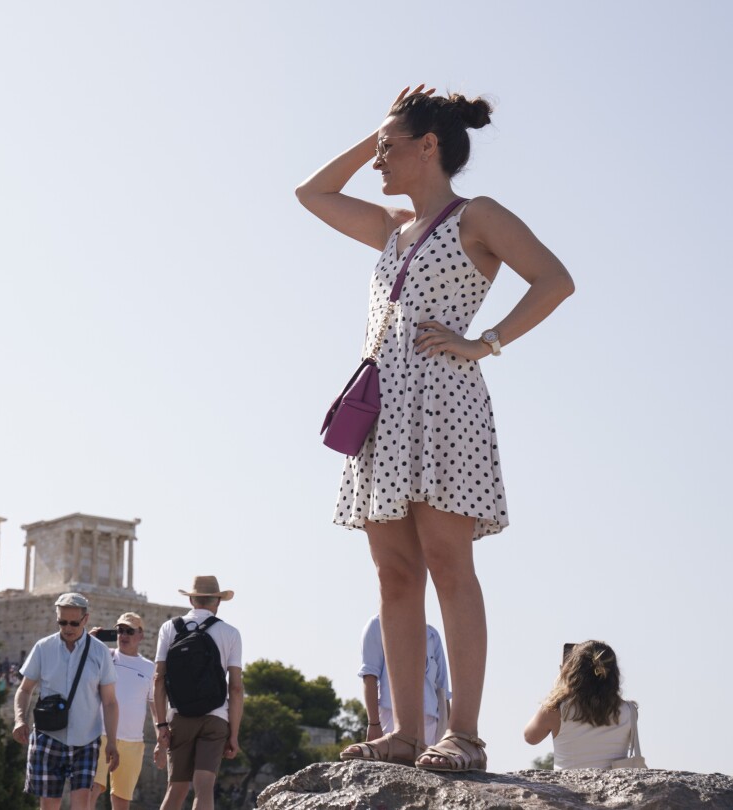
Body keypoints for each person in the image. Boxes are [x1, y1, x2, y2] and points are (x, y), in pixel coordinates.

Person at [296, 86, 575, 771]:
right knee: (393, 575)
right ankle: (404, 733)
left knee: (451, 566)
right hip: (382, 410)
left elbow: (555, 279)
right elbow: (311, 192)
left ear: (430, 147)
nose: (377, 161)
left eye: (390, 148)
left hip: (445, 404)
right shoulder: (391, 226)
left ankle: (465, 735)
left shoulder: (476, 215)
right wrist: (376, 131)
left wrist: (488, 342)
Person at [12, 593, 119, 810]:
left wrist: (113, 742)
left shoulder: (99, 652)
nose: (67, 628)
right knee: (49, 805)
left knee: (82, 804)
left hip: (86, 740)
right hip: (49, 737)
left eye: (73, 623)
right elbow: (24, 689)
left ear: (85, 619)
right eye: (62, 622)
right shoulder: (43, 648)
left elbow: (109, 702)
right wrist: (19, 720)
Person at [151, 576, 243, 810]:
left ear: (191, 599)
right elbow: (235, 687)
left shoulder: (170, 628)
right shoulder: (230, 633)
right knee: (204, 787)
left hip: (180, 715)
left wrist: (162, 725)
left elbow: (158, 679)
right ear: (218, 602)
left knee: (176, 789)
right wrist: (233, 734)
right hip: (215, 718)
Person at [523, 641, 638, 769]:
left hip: (568, 788)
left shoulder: (556, 709)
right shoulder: (630, 711)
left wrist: (560, 687)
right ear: (613, 674)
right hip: (615, 787)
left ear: (572, 671)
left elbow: (530, 737)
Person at [346, 615, 449, 751]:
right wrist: (374, 723)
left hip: (431, 722)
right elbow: (369, 675)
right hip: (390, 716)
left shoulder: (432, 634)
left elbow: (443, 691)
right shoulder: (377, 624)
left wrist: (448, 736)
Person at [90, 612, 159, 810]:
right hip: (100, 735)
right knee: (91, 790)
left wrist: (160, 740)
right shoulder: (104, 656)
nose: (124, 635)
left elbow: (155, 706)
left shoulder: (149, 667)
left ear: (140, 635)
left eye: (129, 631)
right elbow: (75, 659)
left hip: (133, 741)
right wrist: (88, 641)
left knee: (122, 800)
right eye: (120, 630)